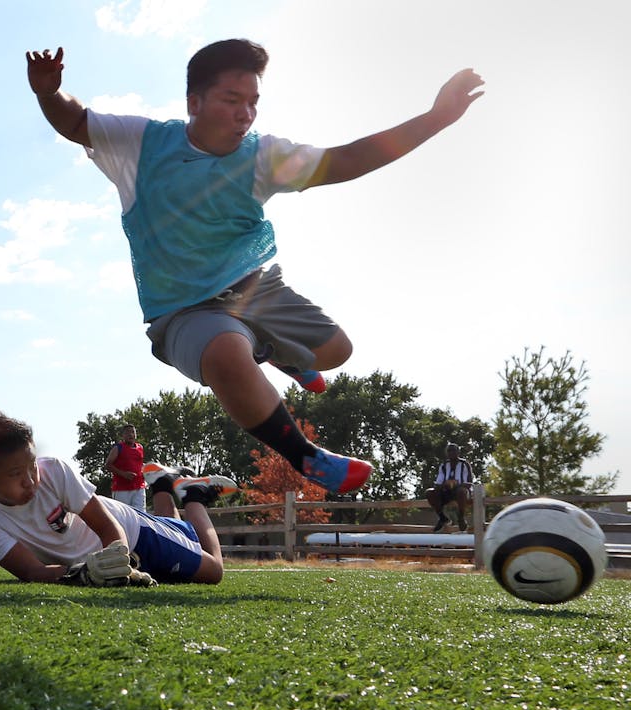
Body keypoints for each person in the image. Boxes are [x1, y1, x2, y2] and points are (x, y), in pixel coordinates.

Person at [24, 40, 484, 496]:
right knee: (227, 353)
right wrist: (49, 93)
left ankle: (274, 349)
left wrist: (436, 118)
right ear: (195, 102)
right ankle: (308, 456)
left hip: (256, 291)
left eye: (253, 103)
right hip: (185, 311)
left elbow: (348, 159)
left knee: (336, 351)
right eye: (232, 101)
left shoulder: (264, 156)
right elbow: (76, 121)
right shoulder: (142, 142)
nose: (246, 113)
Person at [0, 411, 235, 586]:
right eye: (16, 473)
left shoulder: (54, 470)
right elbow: (31, 571)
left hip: (131, 531)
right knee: (177, 545)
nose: (31, 481)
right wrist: (85, 574)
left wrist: (116, 561)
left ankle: (192, 496)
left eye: (32, 466)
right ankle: (163, 483)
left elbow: (107, 526)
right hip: (103, 561)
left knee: (213, 571)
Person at [425, 443, 476, 532]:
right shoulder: (444, 465)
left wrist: (456, 484)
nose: (451, 453)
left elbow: (469, 483)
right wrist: (445, 484)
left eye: (453, 450)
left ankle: (461, 518)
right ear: (446, 453)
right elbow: (437, 483)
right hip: (446, 492)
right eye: (449, 451)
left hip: (461, 493)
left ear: (458, 452)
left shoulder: (464, 464)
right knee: (429, 492)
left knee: (461, 491)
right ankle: (442, 517)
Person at [105, 424, 146, 509]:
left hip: (139, 487)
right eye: (127, 433)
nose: (131, 435)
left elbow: (139, 464)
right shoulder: (118, 448)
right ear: (123, 435)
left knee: (141, 515)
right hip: (122, 489)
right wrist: (123, 474)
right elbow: (108, 465)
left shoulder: (140, 448)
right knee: (123, 516)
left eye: (133, 432)